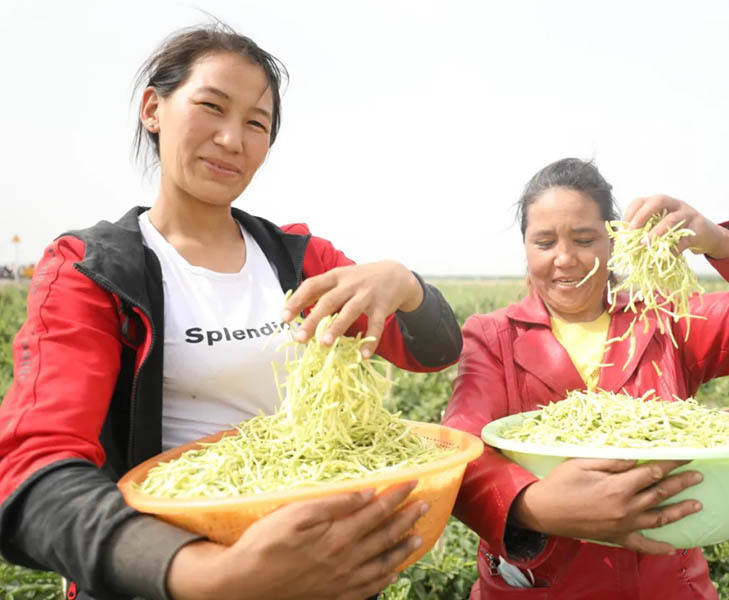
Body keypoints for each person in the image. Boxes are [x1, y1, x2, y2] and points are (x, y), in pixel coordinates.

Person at [0, 24, 463, 600]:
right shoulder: (95, 270)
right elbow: (31, 472)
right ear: (153, 109)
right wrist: (213, 576)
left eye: (256, 123)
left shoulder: (301, 259)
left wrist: (406, 284)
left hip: (321, 569)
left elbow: (435, 351)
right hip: (169, 576)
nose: (231, 139)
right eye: (211, 107)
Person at [442, 157, 729, 599]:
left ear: (613, 243)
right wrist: (536, 507)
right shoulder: (494, 337)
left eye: (585, 238)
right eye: (544, 242)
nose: (565, 258)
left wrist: (719, 241)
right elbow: (460, 454)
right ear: (526, 248)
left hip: (665, 583)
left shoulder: (665, 319)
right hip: (541, 586)